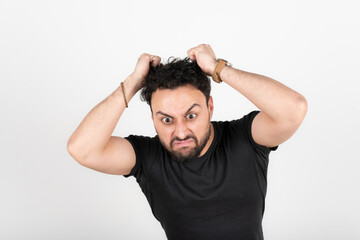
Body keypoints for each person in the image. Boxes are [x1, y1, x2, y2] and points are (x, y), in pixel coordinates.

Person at [67, 44, 308, 240]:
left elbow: (293, 109)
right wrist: (133, 82)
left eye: (191, 116)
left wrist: (217, 68)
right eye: (167, 120)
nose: (180, 132)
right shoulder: (148, 157)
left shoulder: (244, 138)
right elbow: (82, 149)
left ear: (210, 107)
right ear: (152, 118)